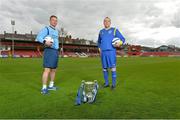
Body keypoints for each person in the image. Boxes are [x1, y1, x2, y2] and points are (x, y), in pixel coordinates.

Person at [97, 17, 125, 89]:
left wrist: (120, 43)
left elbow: (122, 39)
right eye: (105, 21)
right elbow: (99, 42)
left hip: (111, 52)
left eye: (108, 21)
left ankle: (113, 84)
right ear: (103, 22)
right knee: (104, 68)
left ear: (110, 22)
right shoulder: (101, 32)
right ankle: (106, 83)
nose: (106, 22)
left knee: (113, 68)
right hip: (103, 52)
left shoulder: (114, 30)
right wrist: (99, 48)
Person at [36, 15, 59, 94]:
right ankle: (44, 88)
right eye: (53, 20)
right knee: (47, 70)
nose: (55, 22)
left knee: (54, 69)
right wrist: (45, 42)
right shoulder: (46, 29)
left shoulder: (56, 31)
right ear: (50, 21)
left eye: (56, 20)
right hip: (49, 51)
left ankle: (51, 85)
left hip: (55, 51)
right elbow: (39, 37)